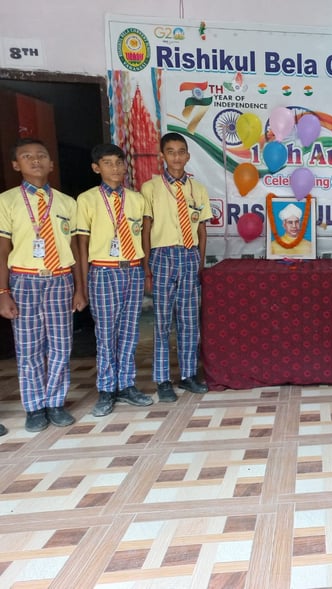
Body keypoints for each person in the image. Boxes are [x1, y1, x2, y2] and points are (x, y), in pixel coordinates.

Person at [0, 138, 87, 432]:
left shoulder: (67, 203)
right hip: (24, 279)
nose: (35, 160)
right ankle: (35, 407)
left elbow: (74, 250)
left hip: (60, 279)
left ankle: (56, 402)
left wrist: (79, 289)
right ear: (16, 165)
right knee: (29, 347)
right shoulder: (6, 201)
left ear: (51, 163)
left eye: (41, 156)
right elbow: (2, 251)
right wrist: (3, 292)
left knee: (61, 345)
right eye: (27, 156)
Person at [76, 144, 153, 416]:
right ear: (96, 168)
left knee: (130, 332)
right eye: (107, 163)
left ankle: (127, 385)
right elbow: (81, 245)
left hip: (132, 269)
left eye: (119, 162)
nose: (115, 168)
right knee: (107, 333)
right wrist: (82, 285)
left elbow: (144, 237)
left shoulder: (136, 199)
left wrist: (145, 270)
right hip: (103, 271)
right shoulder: (86, 200)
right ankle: (107, 389)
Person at [141, 132, 212, 401]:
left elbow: (202, 229)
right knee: (162, 321)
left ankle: (188, 375)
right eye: (170, 152)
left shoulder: (198, 189)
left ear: (188, 156)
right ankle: (162, 380)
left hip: (189, 255)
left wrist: (199, 262)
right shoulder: (151, 188)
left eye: (181, 152)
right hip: (162, 256)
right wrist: (147, 266)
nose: (176, 157)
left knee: (189, 320)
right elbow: (146, 229)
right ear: (162, 156)